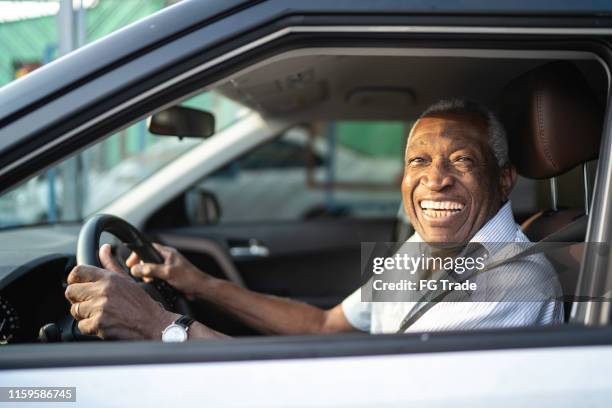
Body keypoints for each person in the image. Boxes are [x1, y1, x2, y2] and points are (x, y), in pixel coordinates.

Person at [64, 99, 563, 341]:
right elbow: (326, 324)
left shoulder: (509, 281)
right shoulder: (426, 251)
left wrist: (159, 324)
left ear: (504, 180)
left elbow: (360, 393)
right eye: (418, 161)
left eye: (461, 161)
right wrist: (199, 283)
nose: (435, 180)